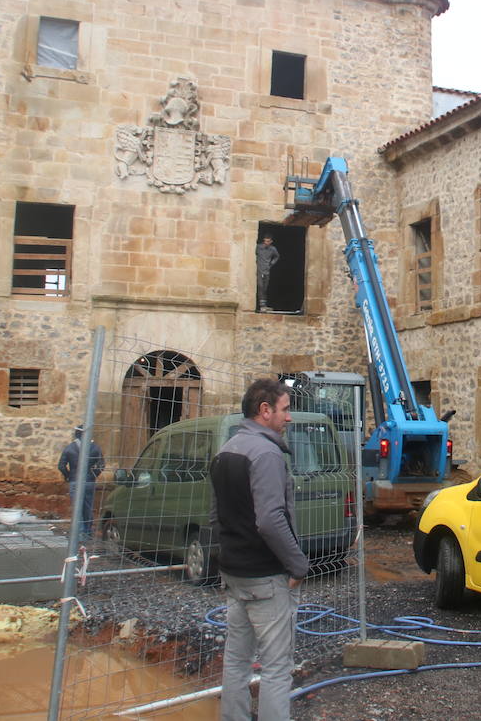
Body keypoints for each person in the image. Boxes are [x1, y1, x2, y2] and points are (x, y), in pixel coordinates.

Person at [210, 378, 307, 721]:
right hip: (266, 579)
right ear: (265, 411)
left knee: (235, 663)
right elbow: (269, 519)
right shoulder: (266, 453)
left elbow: (216, 514)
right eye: (285, 409)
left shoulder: (226, 451)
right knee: (277, 670)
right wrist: (298, 565)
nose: (289, 418)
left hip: (235, 576)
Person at [57, 426, 104, 541]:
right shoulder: (95, 448)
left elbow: (61, 466)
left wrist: (68, 476)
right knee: (88, 507)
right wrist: (93, 475)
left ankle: (80, 533)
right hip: (89, 481)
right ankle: (87, 531)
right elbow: (101, 465)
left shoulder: (69, 448)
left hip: (74, 481)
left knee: (77, 507)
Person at [256, 234, 279, 312]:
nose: (266, 242)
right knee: (260, 286)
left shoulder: (273, 249)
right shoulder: (259, 247)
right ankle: (261, 305)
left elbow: (277, 256)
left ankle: (264, 305)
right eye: (265, 241)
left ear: (271, 241)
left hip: (267, 270)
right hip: (260, 269)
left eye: (268, 241)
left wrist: (271, 263)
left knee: (265, 288)